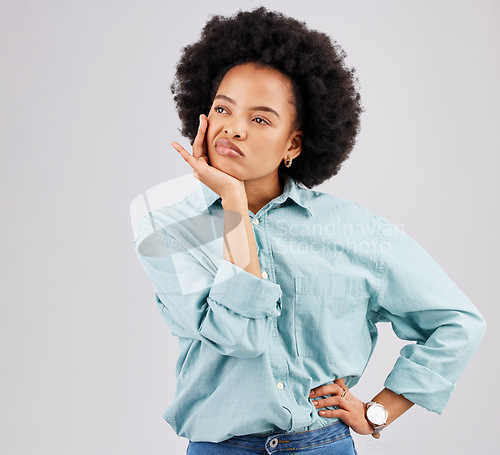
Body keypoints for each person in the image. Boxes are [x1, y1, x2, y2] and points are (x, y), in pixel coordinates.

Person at [133, 7, 486, 454]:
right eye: (223, 108)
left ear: (293, 144)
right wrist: (233, 204)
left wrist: (378, 412)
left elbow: (456, 322)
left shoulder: (355, 230)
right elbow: (238, 338)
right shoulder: (169, 227)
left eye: (260, 119)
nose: (234, 129)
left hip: (324, 446)